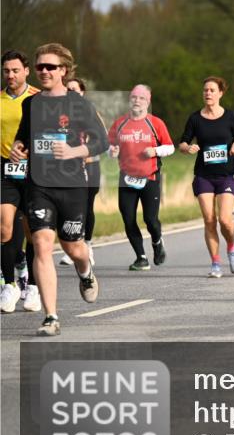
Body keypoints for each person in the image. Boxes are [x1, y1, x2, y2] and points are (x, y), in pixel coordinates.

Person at [10, 43, 108, 336]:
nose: (43, 71)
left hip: (72, 185)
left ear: (63, 70)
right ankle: (51, 316)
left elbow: (100, 141)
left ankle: (85, 271)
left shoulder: (79, 104)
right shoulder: (32, 103)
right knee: (41, 244)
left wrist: (74, 150)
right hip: (39, 184)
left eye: (49, 67)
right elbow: (24, 136)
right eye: (39, 66)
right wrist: (19, 147)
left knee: (73, 247)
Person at [179, 76, 234, 278]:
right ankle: (216, 263)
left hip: (226, 174)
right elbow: (182, 143)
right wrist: (188, 148)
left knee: (225, 220)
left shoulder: (230, 116)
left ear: (220, 93)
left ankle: (232, 247)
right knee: (209, 220)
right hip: (204, 175)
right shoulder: (195, 118)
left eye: (212, 90)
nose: (208, 93)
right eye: (205, 90)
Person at [107, 84, 174, 271]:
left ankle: (157, 241)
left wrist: (155, 150)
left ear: (148, 101)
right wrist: (112, 152)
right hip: (126, 178)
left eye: (141, 98)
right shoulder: (119, 123)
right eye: (134, 97)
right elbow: (109, 146)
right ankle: (141, 257)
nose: (137, 101)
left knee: (150, 220)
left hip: (150, 177)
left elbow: (170, 147)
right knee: (128, 218)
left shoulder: (155, 123)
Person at [1, 50, 39, 314]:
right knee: (4, 229)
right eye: (6, 71)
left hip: (35, 170)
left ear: (26, 71)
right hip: (5, 168)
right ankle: (10, 285)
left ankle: (35, 286)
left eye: (15, 70)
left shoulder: (38, 98)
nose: (10, 75)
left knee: (32, 232)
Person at [59, 78, 102, 266]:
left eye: (74, 89)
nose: (71, 92)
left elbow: (101, 138)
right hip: (68, 167)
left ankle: (87, 245)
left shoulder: (89, 110)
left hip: (90, 164)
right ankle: (73, 245)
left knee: (86, 205)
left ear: (82, 92)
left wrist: (85, 152)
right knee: (68, 206)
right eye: (67, 89)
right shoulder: (59, 112)